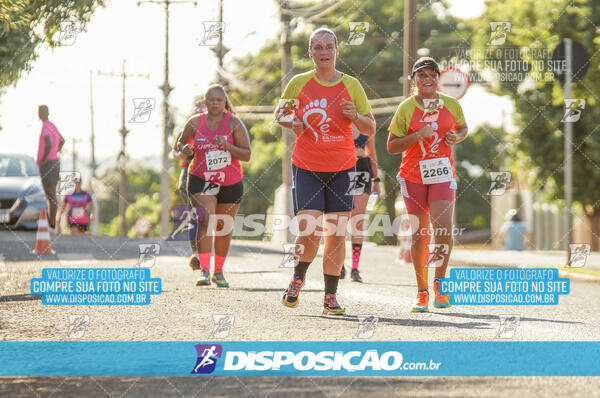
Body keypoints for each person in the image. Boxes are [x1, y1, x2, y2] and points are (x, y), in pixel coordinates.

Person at [275, 27, 376, 315]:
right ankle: (298, 278)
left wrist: (354, 116)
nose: (323, 52)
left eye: (328, 47)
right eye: (317, 47)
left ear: (336, 51)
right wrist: (291, 123)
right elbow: (280, 114)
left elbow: (370, 127)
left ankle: (330, 296)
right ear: (310, 52)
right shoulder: (298, 83)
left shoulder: (352, 86)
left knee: (336, 233)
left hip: (343, 168)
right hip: (307, 165)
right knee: (309, 228)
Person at [387, 57, 468, 312]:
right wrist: (416, 136)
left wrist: (457, 136)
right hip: (413, 176)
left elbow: (463, 128)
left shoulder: (451, 105)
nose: (427, 79)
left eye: (432, 74)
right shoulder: (406, 108)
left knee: (443, 229)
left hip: (442, 174)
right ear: (414, 80)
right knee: (420, 234)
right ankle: (422, 291)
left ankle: (440, 286)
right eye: (421, 75)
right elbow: (391, 146)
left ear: (438, 78)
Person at [178, 85, 251, 287]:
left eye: (219, 100)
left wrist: (228, 146)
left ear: (225, 101)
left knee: (223, 227)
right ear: (205, 101)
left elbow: (246, 154)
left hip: (230, 181)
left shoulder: (234, 123)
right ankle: (204, 270)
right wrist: (185, 147)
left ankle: (218, 271)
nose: (215, 103)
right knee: (206, 220)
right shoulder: (194, 123)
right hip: (202, 179)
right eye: (211, 100)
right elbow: (180, 143)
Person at [340, 125, 380, 283]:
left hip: (362, 171)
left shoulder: (366, 124)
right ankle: (339, 264)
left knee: (357, 220)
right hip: (341, 170)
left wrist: (376, 180)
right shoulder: (337, 119)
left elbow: (372, 153)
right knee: (341, 218)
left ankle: (355, 268)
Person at [172, 100, 207, 270]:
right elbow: (174, 152)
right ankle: (196, 253)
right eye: (197, 112)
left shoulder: (218, 129)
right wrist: (184, 152)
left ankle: (207, 250)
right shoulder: (185, 131)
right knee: (195, 214)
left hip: (212, 173)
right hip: (190, 174)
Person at [36, 105, 65, 230]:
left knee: (51, 195)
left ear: (42, 113)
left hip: (48, 164)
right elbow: (62, 140)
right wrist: (55, 152)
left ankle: (52, 224)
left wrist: (44, 159)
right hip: (54, 162)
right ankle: (51, 223)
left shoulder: (46, 127)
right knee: (50, 195)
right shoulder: (52, 126)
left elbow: (48, 143)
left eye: (40, 112)